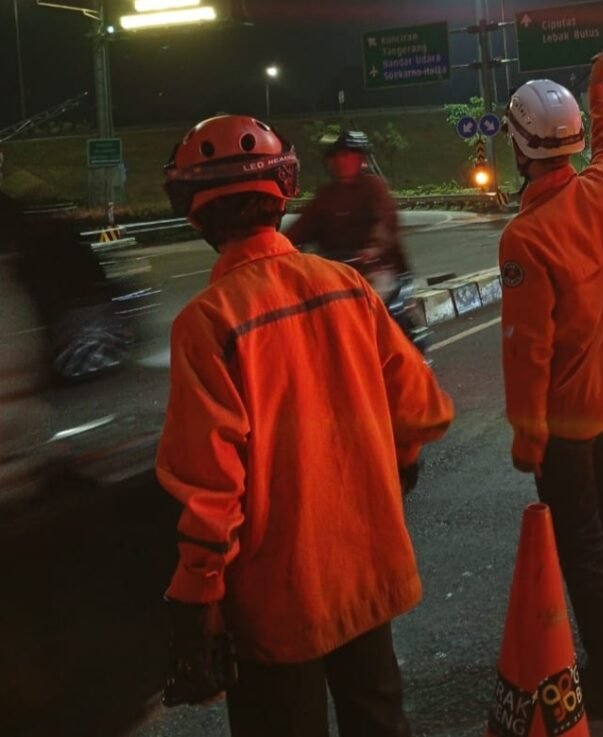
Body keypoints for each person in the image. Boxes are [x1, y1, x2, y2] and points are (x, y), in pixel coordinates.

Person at [157, 114, 454, 736]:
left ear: (194, 212)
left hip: (278, 600)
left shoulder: (207, 323)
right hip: (368, 574)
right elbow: (423, 409)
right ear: (281, 192)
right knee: (379, 718)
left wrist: (198, 592)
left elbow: (213, 486)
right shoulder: (346, 287)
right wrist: (396, 469)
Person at [499, 52, 603, 720]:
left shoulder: (525, 236)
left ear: (520, 148)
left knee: (582, 542)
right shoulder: (601, 188)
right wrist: (600, 89)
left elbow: (528, 348)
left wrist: (527, 434)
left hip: (566, 418)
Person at [285, 130, 409, 298]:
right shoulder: (326, 195)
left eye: (346, 155)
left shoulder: (374, 187)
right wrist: (282, 246)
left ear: (360, 159)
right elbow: (303, 226)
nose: (340, 161)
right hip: (336, 272)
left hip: (375, 269)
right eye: (336, 156)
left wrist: (373, 248)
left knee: (370, 300)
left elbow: (384, 223)